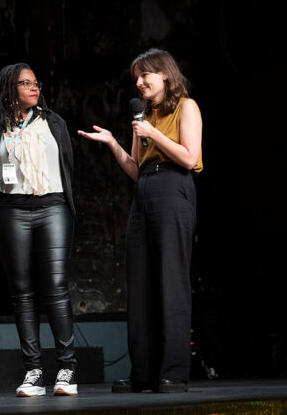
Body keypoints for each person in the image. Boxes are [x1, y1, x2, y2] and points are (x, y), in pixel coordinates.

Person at [78, 48, 202, 393]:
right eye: (137, 76)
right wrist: (114, 144)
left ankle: (173, 373)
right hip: (145, 189)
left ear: (165, 74)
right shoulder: (142, 116)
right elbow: (135, 168)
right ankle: (143, 372)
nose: (139, 82)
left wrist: (153, 133)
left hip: (174, 187)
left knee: (171, 283)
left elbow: (190, 158)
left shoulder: (186, 107)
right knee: (140, 283)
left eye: (145, 74)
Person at [0, 63, 78, 397]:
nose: (34, 88)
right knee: (22, 294)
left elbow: (68, 168)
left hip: (52, 206)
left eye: (36, 82)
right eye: (25, 83)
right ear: (9, 88)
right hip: (12, 210)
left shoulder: (55, 122)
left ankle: (66, 369)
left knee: (56, 287)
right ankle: (33, 370)